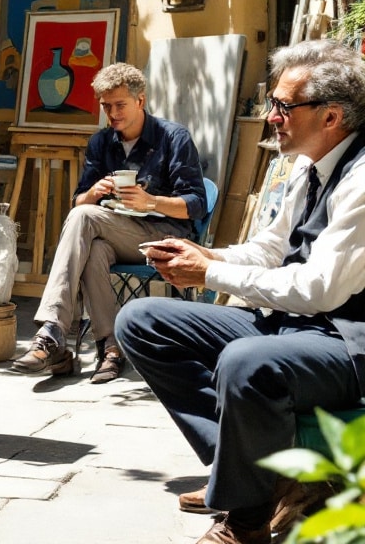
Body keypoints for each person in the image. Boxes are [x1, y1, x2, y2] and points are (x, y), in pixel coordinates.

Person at [117, 40, 365, 544]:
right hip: (295, 322)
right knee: (141, 322)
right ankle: (262, 478)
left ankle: (246, 521)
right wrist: (208, 257)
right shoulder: (308, 163)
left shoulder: (361, 177)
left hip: (345, 337)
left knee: (247, 362)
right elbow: (272, 249)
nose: (271, 116)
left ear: (332, 116)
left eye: (282, 106)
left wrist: (208, 277)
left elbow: (320, 288)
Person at [11, 62, 207, 383]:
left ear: (140, 101)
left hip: (164, 235)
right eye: (105, 106)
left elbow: (197, 205)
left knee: (86, 220)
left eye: (119, 105)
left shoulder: (174, 138)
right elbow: (78, 202)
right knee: (95, 249)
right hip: (115, 232)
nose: (112, 113)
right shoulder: (101, 143)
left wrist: (151, 201)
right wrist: (94, 191)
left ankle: (52, 329)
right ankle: (111, 349)